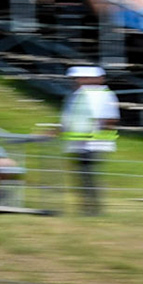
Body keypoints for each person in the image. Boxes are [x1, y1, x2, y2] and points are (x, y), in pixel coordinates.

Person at [60, 65, 118, 216]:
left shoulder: (102, 95)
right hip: (77, 143)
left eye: (79, 78)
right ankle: (87, 207)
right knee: (83, 177)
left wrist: (97, 136)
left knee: (88, 176)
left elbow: (110, 120)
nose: (76, 81)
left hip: (92, 144)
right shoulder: (76, 94)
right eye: (75, 78)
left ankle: (93, 209)